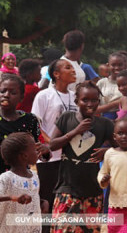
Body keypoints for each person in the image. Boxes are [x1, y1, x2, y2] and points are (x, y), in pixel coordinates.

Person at [48, 82, 115, 233]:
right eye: (85, 100)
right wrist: (75, 131)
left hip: (93, 190)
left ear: (99, 101)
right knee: (62, 229)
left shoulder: (105, 124)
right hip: (67, 188)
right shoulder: (67, 118)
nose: (90, 104)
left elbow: (121, 148)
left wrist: (106, 150)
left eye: (94, 100)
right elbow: (52, 145)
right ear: (77, 100)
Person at [32, 59, 77, 208]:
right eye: (68, 67)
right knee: (48, 198)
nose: (73, 70)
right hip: (49, 157)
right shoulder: (44, 95)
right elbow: (36, 124)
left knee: (67, 200)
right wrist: (52, 142)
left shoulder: (75, 96)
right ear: (56, 74)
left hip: (70, 156)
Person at [0, 75, 49, 174]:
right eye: (2, 91)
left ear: (21, 97)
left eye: (13, 93)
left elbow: (41, 154)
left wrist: (45, 151)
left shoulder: (30, 120)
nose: (6, 95)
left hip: (20, 181)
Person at [0, 132, 46, 232]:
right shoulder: (6, 178)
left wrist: (42, 202)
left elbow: (32, 197)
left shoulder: (34, 176)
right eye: (34, 149)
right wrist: (13, 198)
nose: (37, 151)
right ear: (24, 156)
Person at [97, 53, 127, 119]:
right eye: (113, 65)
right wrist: (116, 103)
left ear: (125, 66)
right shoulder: (101, 83)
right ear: (108, 66)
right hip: (106, 118)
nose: (117, 68)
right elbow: (95, 108)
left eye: (120, 65)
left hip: (125, 119)